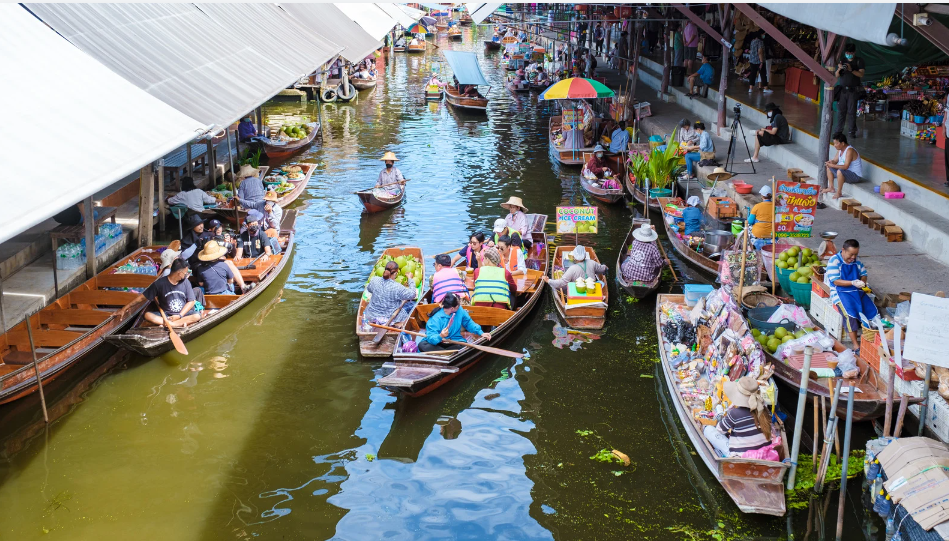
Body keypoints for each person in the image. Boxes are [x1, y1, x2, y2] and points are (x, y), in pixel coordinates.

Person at [115, 259, 203, 328]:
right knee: (147, 315)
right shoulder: (159, 284)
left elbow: (191, 301)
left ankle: (173, 324)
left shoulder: (186, 282)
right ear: (179, 273)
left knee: (197, 316)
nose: (186, 275)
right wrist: (124, 308)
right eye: (185, 273)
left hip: (181, 315)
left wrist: (179, 316)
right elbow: (142, 298)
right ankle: (175, 323)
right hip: (166, 315)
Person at [826, 239, 879, 353]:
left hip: (856, 291)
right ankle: (856, 345)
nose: (853, 257)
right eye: (851, 254)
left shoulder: (856, 261)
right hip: (840, 293)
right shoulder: (834, 261)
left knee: (870, 310)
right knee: (850, 315)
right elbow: (835, 281)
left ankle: (871, 340)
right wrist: (852, 282)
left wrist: (862, 282)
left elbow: (864, 274)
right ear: (843, 250)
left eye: (856, 254)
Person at [704, 376, 772, 457]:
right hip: (762, 453)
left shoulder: (734, 413)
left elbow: (720, 430)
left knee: (708, 429)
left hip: (741, 457)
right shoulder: (764, 410)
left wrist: (729, 412)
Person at [418, 293, 492, 352]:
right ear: (452, 308)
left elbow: (468, 322)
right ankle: (447, 354)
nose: (460, 305)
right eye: (458, 304)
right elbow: (431, 338)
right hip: (438, 344)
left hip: (455, 341)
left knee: (462, 347)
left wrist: (481, 332)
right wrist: (440, 336)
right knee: (422, 345)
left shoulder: (459, 310)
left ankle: (444, 354)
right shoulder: (435, 319)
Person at [363, 261, 417, 326]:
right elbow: (413, 294)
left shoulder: (374, 280)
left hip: (371, 315)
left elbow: (369, 289)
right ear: (395, 274)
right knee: (413, 304)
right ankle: (398, 324)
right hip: (389, 318)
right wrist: (410, 279)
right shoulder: (397, 287)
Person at [834, 43, 865, 137]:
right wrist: (840, 69)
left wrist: (851, 70)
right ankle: (838, 131)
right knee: (841, 112)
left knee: (851, 112)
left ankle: (852, 131)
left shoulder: (859, 61)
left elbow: (861, 74)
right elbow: (836, 75)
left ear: (854, 52)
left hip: (853, 91)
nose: (848, 54)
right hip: (843, 91)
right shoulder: (842, 60)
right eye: (847, 52)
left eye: (850, 52)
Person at [822, 132, 864, 200]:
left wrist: (832, 165)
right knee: (829, 167)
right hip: (846, 172)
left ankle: (839, 192)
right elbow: (835, 161)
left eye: (836, 143)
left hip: (855, 176)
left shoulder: (850, 150)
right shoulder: (840, 149)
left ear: (842, 143)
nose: (834, 145)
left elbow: (846, 166)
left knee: (839, 171)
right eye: (834, 143)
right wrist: (831, 162)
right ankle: (831, 187)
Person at [748, 185, 774, 249]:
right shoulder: (776, 207)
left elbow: (750, 222)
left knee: (747, 229)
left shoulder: (757, 206)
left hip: (758, 234)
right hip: (771, 234)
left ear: (762, 196)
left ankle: (750, 248)